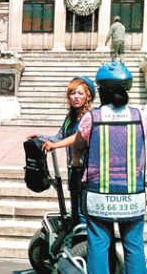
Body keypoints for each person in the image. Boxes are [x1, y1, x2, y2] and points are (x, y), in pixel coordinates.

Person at [69, 62, 147, 274]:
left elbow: (79, 147)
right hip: (132, 195)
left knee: (98, 246)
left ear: (101, 91)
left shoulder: (93, 118)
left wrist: (76, 161)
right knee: (134, 246)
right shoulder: (140, 116)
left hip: (99, 195)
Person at [28, 75, 96, 224]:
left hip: (87, 172)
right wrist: (40, 137)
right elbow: (59, 137)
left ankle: (83, 244)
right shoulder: (70, 117)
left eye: (80, 93)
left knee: (83, 212)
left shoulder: (91, 115)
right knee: (75, 210)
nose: (76, 97)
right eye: (72, 93)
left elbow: (81, 136)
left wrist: (55, 146)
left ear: (88, 96)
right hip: (73, 170)